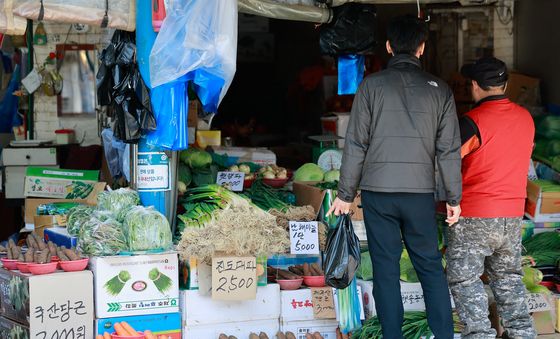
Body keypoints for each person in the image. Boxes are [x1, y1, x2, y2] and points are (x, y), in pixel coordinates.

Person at [328, 15, 462, 339]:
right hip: (419, 195)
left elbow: (356, 143)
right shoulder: (440, 90)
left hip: (379, 193)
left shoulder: (372, 86)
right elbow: (448, 151)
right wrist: (454, 198)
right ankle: (444, 335)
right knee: (430, 267)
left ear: (388, 47)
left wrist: (345, 195)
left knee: (385, 270)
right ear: (421, 47)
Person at [446, 57, 536, 339]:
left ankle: (480, 335)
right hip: (511, 215)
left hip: (474, 214)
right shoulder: (526, 118)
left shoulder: (471, 123)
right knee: (509, 278)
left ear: (474, 86)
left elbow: (446, 163)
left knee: (465, 280)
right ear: (505, 84)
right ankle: (523, 333)